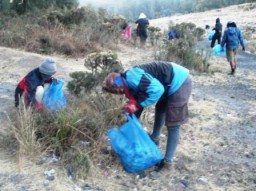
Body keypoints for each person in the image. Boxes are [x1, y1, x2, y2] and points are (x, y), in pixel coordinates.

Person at [102, 61, 192, 171]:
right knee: (160, 109)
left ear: (116, 85)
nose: (119, 93)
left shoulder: (132, 78)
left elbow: (157, 90)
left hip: (179, 81)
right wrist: (129, 123)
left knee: (173, 124)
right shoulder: (128, 83)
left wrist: (137, 104)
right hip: (167, 82)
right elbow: (137, 109)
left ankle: (168, 163)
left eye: (116, 90)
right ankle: (154, 139)